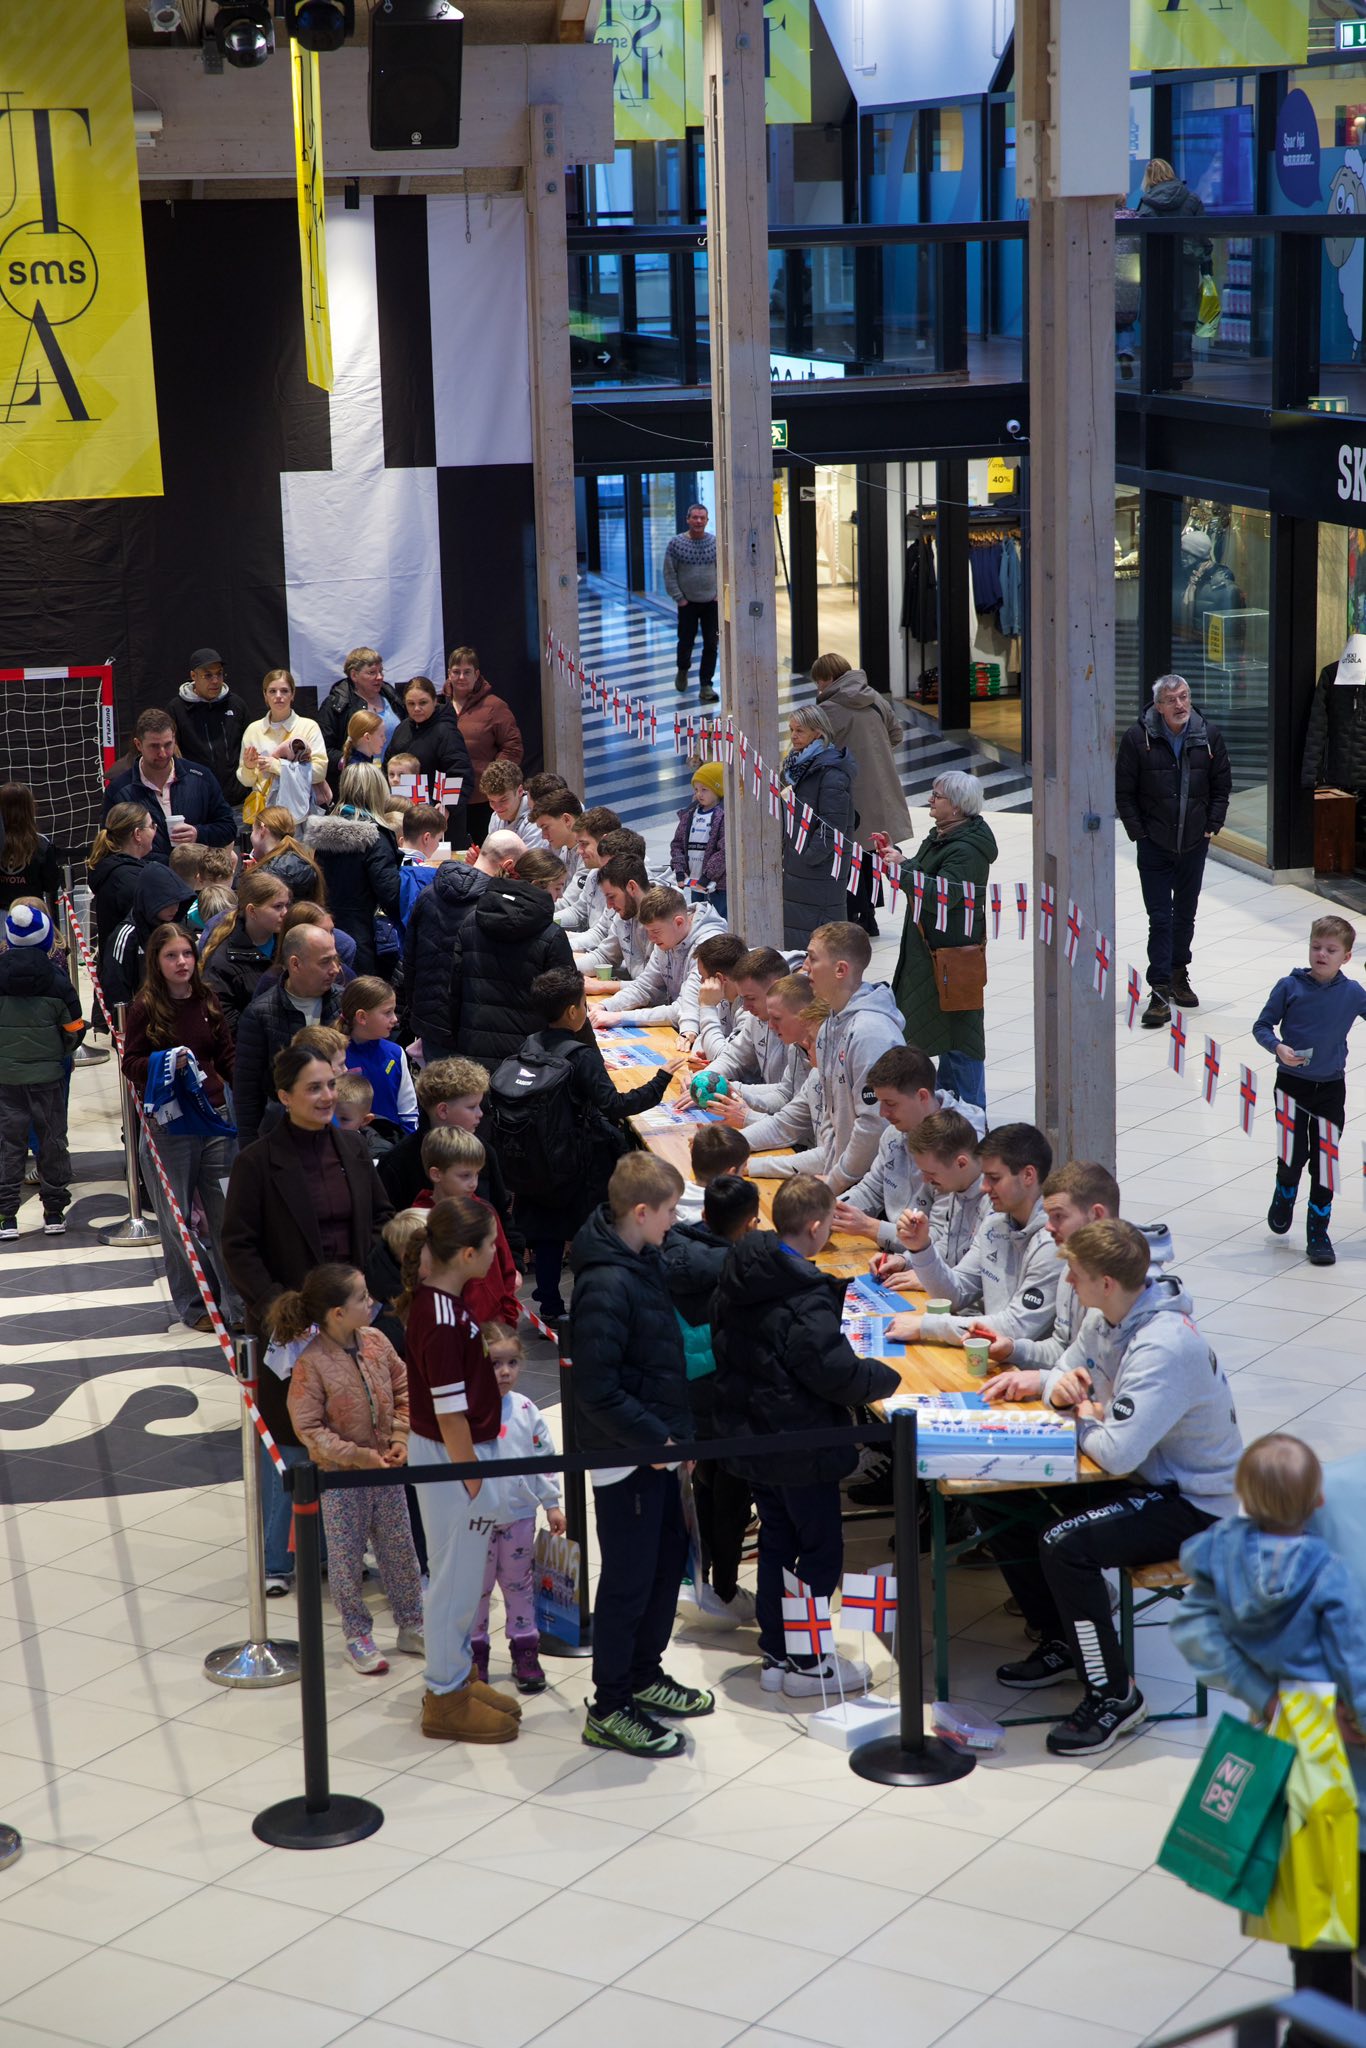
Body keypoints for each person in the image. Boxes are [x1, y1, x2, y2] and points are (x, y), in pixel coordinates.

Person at [981, 1217, 1241, 1755]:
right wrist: (1066, 1395)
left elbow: (1117, 1451)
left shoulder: (1164, 1347)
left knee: (1064, 1545)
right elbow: (1063, 1375)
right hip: (1141, 1477)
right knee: (997, 1493)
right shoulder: (1105, 1319)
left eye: (1074, 1274)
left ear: (1104, 1282)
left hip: (1194, 1503)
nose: (1067, 1282)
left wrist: (1080, 1414)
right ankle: (1062, 1637)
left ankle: (1114, 1694)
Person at [1171, 1441, 1366, 2033]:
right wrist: (1279, 1698)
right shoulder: (1324, 1494)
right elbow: (1198, 1621)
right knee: (1323, 1988)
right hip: (1327, 1798)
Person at [713, 1174, 901, 1696]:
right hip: (800, 1442)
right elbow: (835, 1374)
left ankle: (777, 1651)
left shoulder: (746, 1270)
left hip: (755, 1435)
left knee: (778, 1541)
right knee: (819, 1551)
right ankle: (810, 1660)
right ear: (817, 1226)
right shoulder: (803, 1297)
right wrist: (885, 1377)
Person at [222, 1043, 394, 1593]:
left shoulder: (352, 1146)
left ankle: (336, 1553)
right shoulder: (257, 1162)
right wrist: (278, 1305)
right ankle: (278, 1561)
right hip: (291, 1328)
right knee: (293, 1442)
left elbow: (381, 1218)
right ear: (284, 1095)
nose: (326, 1096)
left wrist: (371, 1287)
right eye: (314, 1088)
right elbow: (238, 1246)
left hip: (350, 1323)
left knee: (348, 1434)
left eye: (330, 1086)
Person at [570, 1151, 714, 1756]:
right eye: (669, 1210)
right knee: (628, 1582)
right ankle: (609, 1706)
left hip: (657, 1446)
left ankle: (643, 1675)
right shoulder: (605, 1283)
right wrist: (655, 1439)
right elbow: (597, 1389)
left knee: (662, 1566)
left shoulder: (642, 1258)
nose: (675, 1221)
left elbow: (659, 1358)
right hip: (626, 1456)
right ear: (639, 1211)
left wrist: (677, 1437)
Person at [397, 1197, 524, 1742]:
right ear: (467, 1253)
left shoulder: (443, 1302)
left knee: (463, 1578)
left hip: (455, 1455)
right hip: (453, 1458)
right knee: (454, 1582)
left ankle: (458, 1678)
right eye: (492, 1245)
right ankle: (445, 1695)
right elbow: (450, 1417)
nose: (497, 1253)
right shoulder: (442, 1318)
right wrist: (475, 1483)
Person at [498, 965, 676, 1320]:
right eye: (583, 1003)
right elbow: (615, 1105)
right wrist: (661, 1079)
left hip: (537, 1157)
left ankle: (549, 1304)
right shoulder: (582, 1057)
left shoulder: (530, 1044)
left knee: (548, 1235)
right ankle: (589, 1302)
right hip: (577, 1165)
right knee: (586, 1233)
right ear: (573, 1011)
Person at [280, 1263, 425, 1675]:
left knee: (400, 1549)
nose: (372, 1302)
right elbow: (309, 1429)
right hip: (341, 1480)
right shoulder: (311, 1364)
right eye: (362, 1297)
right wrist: (357, 1456)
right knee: (346, 1560)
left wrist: (400, 1437)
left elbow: (404, 1386)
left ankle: (412, 1623)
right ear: (337, 1313)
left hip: (386, 1470)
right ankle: (357, 1634)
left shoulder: (377, 1340)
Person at [122, 923, 239, 1334]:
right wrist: (166, 1061)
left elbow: (225, 1054)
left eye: (187, 954)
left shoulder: (207, 998)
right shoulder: (145, 1007)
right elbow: (131, 1063)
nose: (182, 962)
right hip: (169, 1126)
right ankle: (195, 1303)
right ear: (156, 962)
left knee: (226, 1215)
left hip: (215, 1117)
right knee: (177, 1222)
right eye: (171, 955)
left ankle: (237, 1304)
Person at [664, 1173, 761, 1626]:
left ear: (703, 1215)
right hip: (728, 1395)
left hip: (686, 1392)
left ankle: (695, 1578)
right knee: (731, 1498)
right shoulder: (742, 1270)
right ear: (751, 1223)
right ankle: (723, 1589)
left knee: (700, 1488)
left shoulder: (672, 1249)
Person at [746, 923, 903, 1191]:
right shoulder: (831, 1024)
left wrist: (837, 1181)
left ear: (840, 970)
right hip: (839, 1181)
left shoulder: (871, 1034)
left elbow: (873, 1125)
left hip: (871, 1191)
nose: (805, 966)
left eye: (812, 957)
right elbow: (828, 1121)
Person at [1115, 674, 1232, 1029]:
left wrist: (1212, 824)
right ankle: (1160, 990)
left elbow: (1221, 786)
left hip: (1194, 843)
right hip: (1154, 844)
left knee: (1185, 915)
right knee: (1160, 918)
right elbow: (1124, 792)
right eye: (1172, 699)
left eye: (1184, 696)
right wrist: (1139, 833)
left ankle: (1179, 972)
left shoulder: (1208, 736)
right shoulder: (1137, 738)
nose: (1180, 704)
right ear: (1158, 706)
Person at [885, 1121, 1059, 1351]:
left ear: (1028, 1175)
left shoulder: (1053, 1243)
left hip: (1026, 1366)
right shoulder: (994, 1223)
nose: (984, 1188)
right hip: (991, 1354)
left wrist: (927, 1326)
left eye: (994, 1178)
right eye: (984, 1177)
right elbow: (956, 1293)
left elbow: (1015, 1326)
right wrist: (921, 1248)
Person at [1255, 913, 1366, 1268]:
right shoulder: (1289, 987)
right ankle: (1285, 1189)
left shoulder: (1352, 993)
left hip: (1331, 1088)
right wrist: (1277, 1047)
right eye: (1316, 947)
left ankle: (1318, 1231)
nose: (1321, 954)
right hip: (1291, 1085)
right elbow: (1262, 1026)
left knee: (1325, 1161)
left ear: (1346, 957)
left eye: (1331, 950)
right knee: (1293, 1154)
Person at [885, 769, 997, 1111]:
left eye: (937, 796)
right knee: (946, 1035)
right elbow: (923, 875)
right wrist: (896, 858)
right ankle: (947, 1114)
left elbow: (941, 896)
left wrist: (904, 868)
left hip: (951, 957)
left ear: (958, 806)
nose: (930, 800)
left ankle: (973, 1118)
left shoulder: (966, 850)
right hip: (931, 950)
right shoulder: (942, 836)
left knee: (961, 1040)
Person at [471, 1323, 566, 1693]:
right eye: (495, 1364)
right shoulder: (464, 1413)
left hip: (519, 1517)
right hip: (475, 1521)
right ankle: (475, 1654)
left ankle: (525, 1650)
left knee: (519, 1585)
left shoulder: (526, 1410)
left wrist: (552, 1504)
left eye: (512, 1362)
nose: (505, 1371)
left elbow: (544, 1459)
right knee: (476, 1590)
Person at [830, 1043, 986, 1251]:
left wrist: (870, 1227)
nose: (882, 1113)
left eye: (891, 1103)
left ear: (922, 1096)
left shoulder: (959, 1144)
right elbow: (871, 1190)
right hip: (902, 1250)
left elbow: (940, 1241)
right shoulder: (895, 1132)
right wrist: (829, 1211)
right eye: (880, 1103)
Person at [377, 1058, 520, 1267]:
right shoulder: (398, 1163)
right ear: (443, 1110)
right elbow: (388, 1231)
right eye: (472, 1107)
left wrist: (515, 1264)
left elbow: (501, 1213)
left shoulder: (483, 1152)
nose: (480, 1114)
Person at [398, 829, 526, 1060]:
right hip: (475, 1032)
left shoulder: (429, 893)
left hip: (430, 1024)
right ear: (508, 865)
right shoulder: (496, 910)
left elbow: (410, 959)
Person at [811, 651, 913, 934]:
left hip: (847, 789)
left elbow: (816, 747)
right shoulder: (875, 698)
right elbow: (896, 734)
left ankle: (855, 914)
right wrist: (875, 754)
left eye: (819, 681)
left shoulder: (829, 709)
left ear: (828, 678)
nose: (818, 687)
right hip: (881, 783)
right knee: (869, 850)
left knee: (848, 853)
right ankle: (869, 915)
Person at [0, 903, 84, 1240]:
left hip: (6, 1079)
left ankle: (6, 1216)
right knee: (52, 1142)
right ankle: (54, 1211)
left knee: (8, 1146)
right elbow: (75, 1028)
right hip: (49, 1077)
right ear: (47, 937)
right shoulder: (57, 979)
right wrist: (59, 1053)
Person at [448, 869, 575, 1065]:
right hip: (530, 1055)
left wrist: (456, 1040)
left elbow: (454, 991)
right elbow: (569, 1002)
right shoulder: (552, 935)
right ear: (538, 886)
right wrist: (587, 1055)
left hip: (474, 1045)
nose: (561, 896)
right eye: (558, 888)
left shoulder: (471, 922)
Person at [233, 923, 343, 1147]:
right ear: (295, 964)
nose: (335, 969)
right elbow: (247, 1093)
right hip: (285, 1138)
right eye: (324, 962)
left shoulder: (344, 1002)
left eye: (335, 959)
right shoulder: (259, 1015)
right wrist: (249, 1149)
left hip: (339, 1131)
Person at [102, 708, 237, 866]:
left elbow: (228, 828)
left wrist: (198, 833)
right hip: (147, 878)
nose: (163, 753)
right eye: (154, 746)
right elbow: (110, 846)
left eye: (168, 745)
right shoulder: (119, 790)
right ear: (138, 744)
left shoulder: (201, 777)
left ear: (174, 740)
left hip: (197, 875)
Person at [414, 1126, 519, 1326]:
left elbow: (506, 1268)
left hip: (492, 1325)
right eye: (465, 1175)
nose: (473, 1183)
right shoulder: (418, 1220)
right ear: (436, 1174)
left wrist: (508, 1320)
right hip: (445, 1328)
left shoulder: (485, 1212)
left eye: (477, 1174)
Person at [302, 763, 402, 976]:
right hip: (366, 938)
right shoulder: (375, 839)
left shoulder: (323, 837)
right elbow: (391, 895)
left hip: (328, 932)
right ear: (378, 792)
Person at [596, 884, 728, 1043]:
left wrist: (618, 1017)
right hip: (684, 1031)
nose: (651, 939)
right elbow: (644, 986)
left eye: (655, 932)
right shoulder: (666, 940)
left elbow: (684, 1008)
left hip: (706, 1036)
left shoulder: (707, 946)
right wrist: (605, 1006)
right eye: (648, 932)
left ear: (679, 922)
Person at [780, 705, 855, 950]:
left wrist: (808, 856)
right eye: (791, 729)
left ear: (818, 733)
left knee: (821, 942)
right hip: (797, 866)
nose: (793, 736)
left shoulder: (831, 772)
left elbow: (832, 826)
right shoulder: (796, 768)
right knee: (798, 939)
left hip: (819, 870)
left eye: (800, 730)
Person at [694, 948, 805, 1111]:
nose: (745, 1007)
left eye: (751, 998)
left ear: (776, 988)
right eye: (742, 998)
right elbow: (733, 1058)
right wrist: (705, 1078)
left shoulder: (801, 1029)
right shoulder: (755, 1018)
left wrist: (727, 1088)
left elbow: (789, 1094)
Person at [1136, 157, 1211, 386]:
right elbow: (1204, 238)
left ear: (1149, 178)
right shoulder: (1192, 199)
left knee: (1156, 314)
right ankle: (1182, 366)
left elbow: (1141, 242)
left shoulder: (1147, 203)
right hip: (1187, 267)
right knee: (1184, 316)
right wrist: (1207, 268)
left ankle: (1157, 368)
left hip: (1156, 268)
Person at [444, 646, 524, 842]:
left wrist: (493, 779)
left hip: (483, 800)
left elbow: (513, 746)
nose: (461, 677)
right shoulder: (437, 705)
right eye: (456, 671)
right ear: (449, 674)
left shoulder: (494, 706)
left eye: (467, 672)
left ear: (477, 674)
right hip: (447, 799)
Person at [199, 870, 292, 1035]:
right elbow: (224, 1019)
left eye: (287, 905)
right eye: (277, 907)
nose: (285, 913)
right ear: (252, 911)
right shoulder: (222, 961)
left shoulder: (291, 942)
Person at [384, 675, 473, 847]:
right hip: (405, 817)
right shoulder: (402, 729)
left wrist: (447, 807)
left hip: (441, 822)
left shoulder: (447, 732)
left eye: (423, 703)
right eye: (411, 704)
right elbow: (386, 766)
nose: (417, 708)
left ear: (435, 701)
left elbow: (460, 773)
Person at [238, 669, 327, 826]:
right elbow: (246, 781)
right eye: (272, 691)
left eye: (284, 691)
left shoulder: (308, 727)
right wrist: (249, 767)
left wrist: (278, 766)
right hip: (265, 817)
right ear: (265, 695)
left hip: (300, 814)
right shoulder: (253, 730)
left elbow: (319, 772)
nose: (278, 696)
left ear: (293, 695)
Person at [103, 863, 196, 1011]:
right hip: (140, 1015)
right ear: (151, 900)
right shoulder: (126, 936)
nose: (175, 908)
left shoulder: (179, 931)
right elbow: (115, 986)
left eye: (178, 902)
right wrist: (127, 1018)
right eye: (168, 903)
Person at [169, 648, 252, 810]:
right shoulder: (176, 709)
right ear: (193, 676)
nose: (215, 681)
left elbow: (250, 748)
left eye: (219, 674)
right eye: (208, 675)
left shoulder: (236, 705)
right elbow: (173, 757)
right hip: (198, 804)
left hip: (239, 802)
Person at [317, 646, 406, 787]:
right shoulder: (336, 704)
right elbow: (323, 749)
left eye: (381, 671)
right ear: (354, 675)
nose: (380, 677)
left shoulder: (392, 697)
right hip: (359, 783)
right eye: (372, 672)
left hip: (396, 780)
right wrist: (351, 763)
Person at [89, 803, 158, 982]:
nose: (155, 831)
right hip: (128, 977)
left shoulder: (113, 869)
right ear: (137, 834)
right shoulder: (129, 880)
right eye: (152, 825)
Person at [342, 976, 418, 1133]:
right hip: (347, 1141)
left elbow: (408, 1112)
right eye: (387, 1012)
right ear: (362, 1017)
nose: (395, 1019)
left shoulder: (395, 1053)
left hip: (390, 1142)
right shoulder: (335, 1055)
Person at [664, 502, 719, 704]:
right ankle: (683, 669)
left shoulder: (714, 543)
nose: (698, 521)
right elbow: (669, 573)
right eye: (694, 517)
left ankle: (706, 685)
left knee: (711, 644)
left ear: (707, 520)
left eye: (702, 518)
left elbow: (723, 569)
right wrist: (679, 598)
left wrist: (718, 595)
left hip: (711, 603)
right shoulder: (676, 544)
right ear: (687, 519)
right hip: (687, 604)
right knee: (686, 641)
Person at [670, 763, 727, 917]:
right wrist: (680, 871)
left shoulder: (724, 816)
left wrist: (707, 877)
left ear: (718, 789)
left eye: (704, 789)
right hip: (695, 883)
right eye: (696, 789)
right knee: (697, 919)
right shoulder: (689, 814)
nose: (699, 794)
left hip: (717, 886)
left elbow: (725, 851)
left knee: (719, 921)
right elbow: (677, 844)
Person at [560, 804, 621, 939]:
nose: (578, 851)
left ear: (605, 841)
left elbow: (602, 938)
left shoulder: (628, 879)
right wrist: (546, 920)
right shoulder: (594, 873)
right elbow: (577, 913)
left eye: (584, 844)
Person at [0, 783, 59, 917]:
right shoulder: (41, 844)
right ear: (30, 808)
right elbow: (51, 884)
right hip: (32, 914)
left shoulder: (42, 844)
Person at [250, 806, 327, 905]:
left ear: (262, 829)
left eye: (253, 830)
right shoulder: (303, 860)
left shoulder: (269, 873)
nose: (251, 836)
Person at [477, 759, 546, 850]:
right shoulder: (495, 817)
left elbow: (530, 859)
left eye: (503, 800)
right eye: (491, 801)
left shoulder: (535, 821)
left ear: (520, 791)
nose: (497, 808)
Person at [396, 805, 445, 929]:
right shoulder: (430, 874)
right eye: (439, 839)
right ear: (426, 838)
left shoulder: (386, 863)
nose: (438, 845)